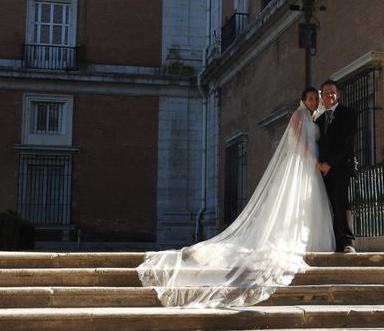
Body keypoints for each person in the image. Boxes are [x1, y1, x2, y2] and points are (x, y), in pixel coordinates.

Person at [136, 87, 335, 308]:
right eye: (310, 98)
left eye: (315, 99)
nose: (313, 101)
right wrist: (313, 158)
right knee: (292, 202)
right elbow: (298, 140)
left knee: (304, 205)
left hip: (310, 168)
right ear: (302, 100)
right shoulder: (298, 115)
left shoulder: (314, 117)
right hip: (302, 164)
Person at [315, 79, 356, 253]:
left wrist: (329, 163)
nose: (329, 96)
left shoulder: (348, 113)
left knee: (341, 203)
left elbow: (347, 142)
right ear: (322, 96)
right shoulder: (319, 120)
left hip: (340, 168)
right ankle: (336, 244)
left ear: (338, 94)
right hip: (322, 171)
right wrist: (319, 164)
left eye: (332, 92)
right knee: (328, 205)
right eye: (326, 93)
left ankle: (348, 242)